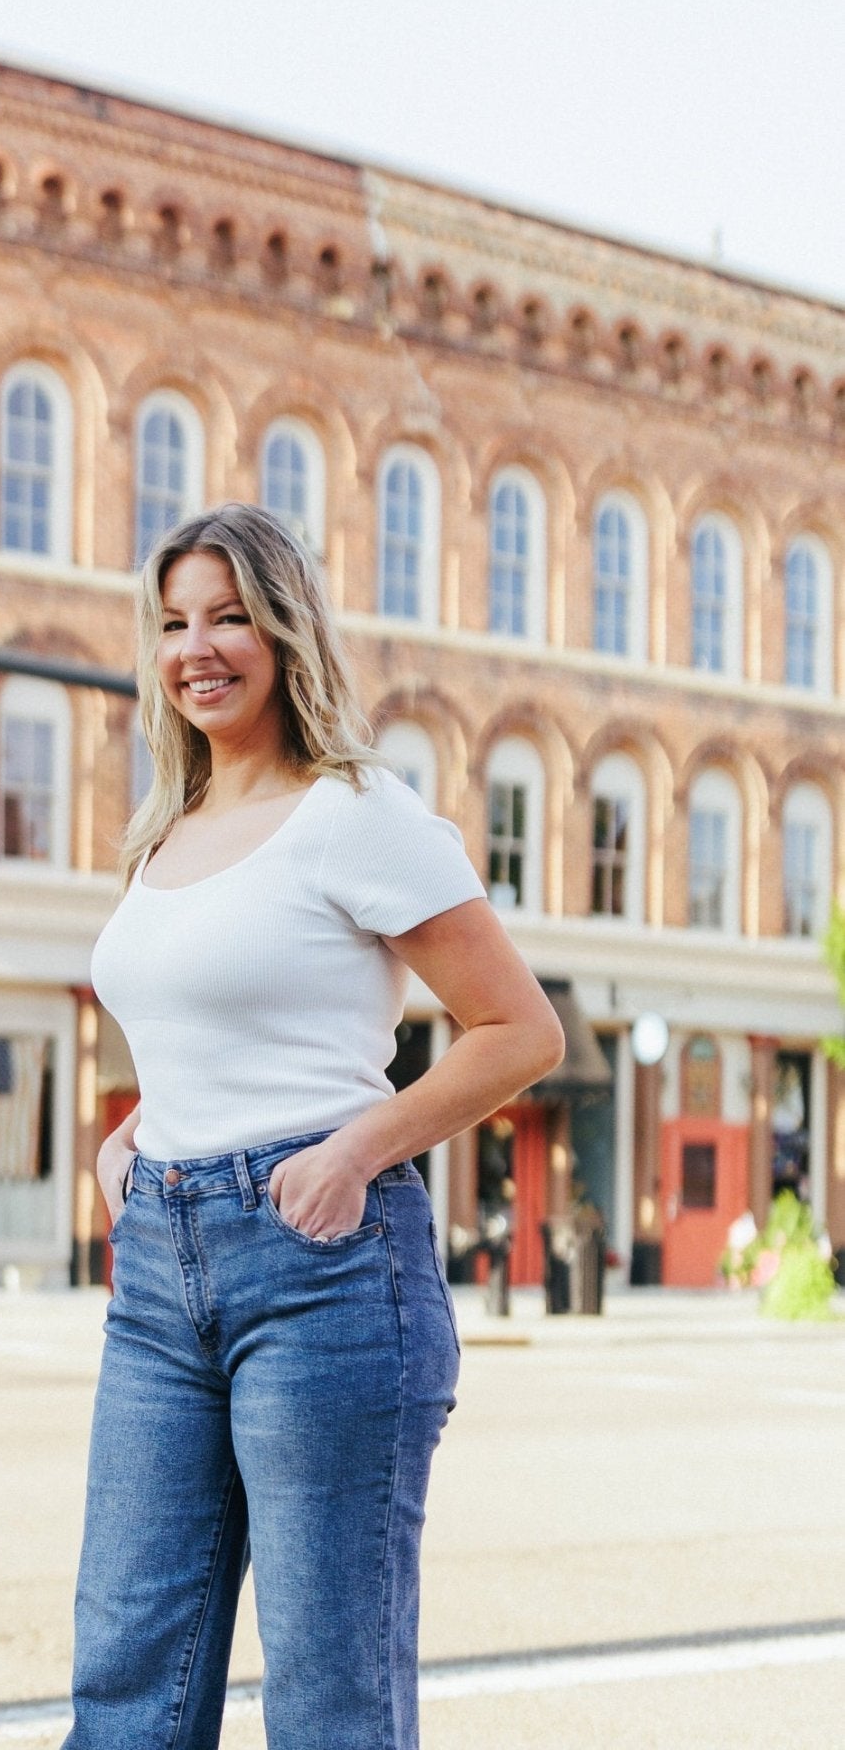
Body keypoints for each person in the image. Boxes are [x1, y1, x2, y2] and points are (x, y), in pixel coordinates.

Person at [63, 501, 565, 1750]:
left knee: (330, 1694)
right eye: (174, 621)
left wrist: (354, 1147)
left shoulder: (355, 809)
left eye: (229, 614)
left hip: (323, 1272)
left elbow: (519, 1031)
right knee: (128, 1672)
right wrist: (131, 1132)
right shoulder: (160, 833)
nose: (199, 646)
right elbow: (208, 1025)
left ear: (284, 629)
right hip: (158, 1271)